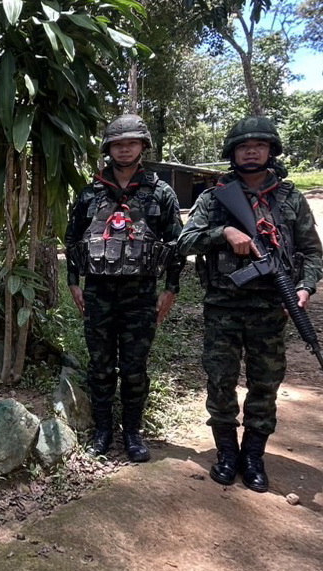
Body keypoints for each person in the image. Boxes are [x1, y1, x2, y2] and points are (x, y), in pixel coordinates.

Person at [177, 116, 323, 492]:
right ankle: (227, 452)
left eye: (259, 145)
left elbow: (311, 252)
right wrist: (224, 232)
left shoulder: (290, 199)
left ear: (271, 150)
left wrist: (304, 288)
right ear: (233, 153)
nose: (252, 152)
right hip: (223, 307)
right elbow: (185, 241)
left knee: (265, 383)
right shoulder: (214, 198)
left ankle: (254, 455)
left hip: (270, 308)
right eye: (244, 146)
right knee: (220, 380)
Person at [65, 114, 184, 462]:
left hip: (140, 295)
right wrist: (72, 282)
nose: (125, 149)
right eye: (118, 144)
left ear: (143, 146)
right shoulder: (90, 193)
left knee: (134, 368)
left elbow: (176, 244)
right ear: (109, 149)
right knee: (100, 366)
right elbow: (72, 240)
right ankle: (103, 430)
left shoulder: (160, 192)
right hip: (98, 293)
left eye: (131, 142)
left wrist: (171, 289)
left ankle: (132, 432)